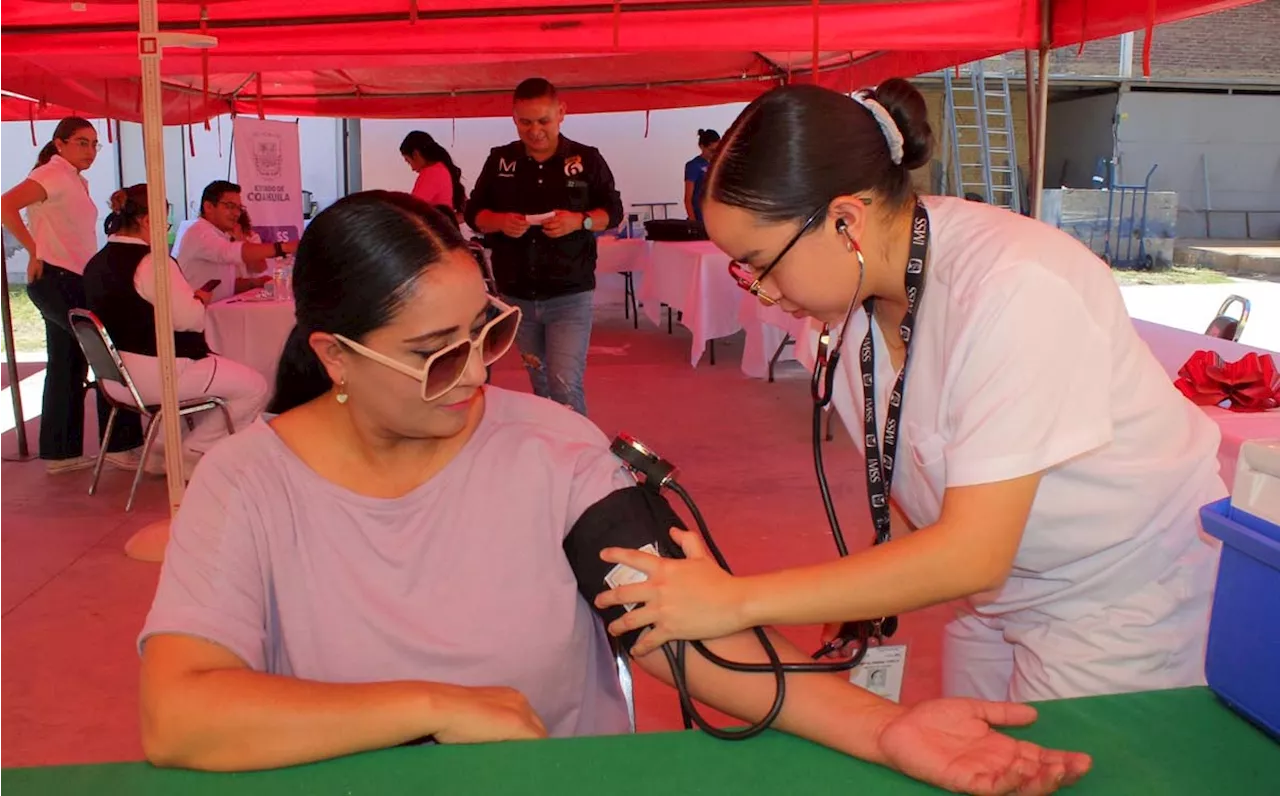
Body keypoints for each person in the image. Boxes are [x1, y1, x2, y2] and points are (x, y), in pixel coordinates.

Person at [136, 192, 1088, 793]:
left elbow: (686, 629)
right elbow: (181, 713)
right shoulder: (247, 482)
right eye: (435, 357)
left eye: (488, 332)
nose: (475, 377)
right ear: (336, 355)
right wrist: (437, 705)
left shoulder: (554, 447)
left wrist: (886, 730)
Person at [595, 80, 1226, 704]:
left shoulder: (1017, 289)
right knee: (980, 748)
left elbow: (971, 554)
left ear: (846, 221)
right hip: (1003, 593)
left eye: (761, 263)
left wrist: (737, 599)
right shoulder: (862, 295)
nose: (759, 289)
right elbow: (915, 460)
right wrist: (863, 588)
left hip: (1121, 591)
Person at [82, 185, 269, 480]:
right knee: (253, 386)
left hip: (116, 379)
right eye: (165, 223)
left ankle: (159, 450)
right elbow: (190, 321)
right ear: (147, 221)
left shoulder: (95, 263)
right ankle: (192, 453)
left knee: (214, 383)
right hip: (160, 373)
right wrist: (199, 301)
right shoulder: (152, 263)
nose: (165, 231)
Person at [465, 78, 624, 417]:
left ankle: (579, 459)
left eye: (543, 121)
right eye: (525, 122)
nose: (535, 130)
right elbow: (473, 213)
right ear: (514, 118)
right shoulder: (500, 161)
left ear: (561, 113)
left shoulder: (587, 159)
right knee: (540, 384)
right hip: (518, 296)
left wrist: (578, 221)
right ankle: (551, 455)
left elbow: (613, 213)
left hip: (570, 295)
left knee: (565, 384)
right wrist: (500, 221)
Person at [0, 117, 144, 474]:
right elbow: (5, 204)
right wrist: (34, 250)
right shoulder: (52, 173)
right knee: (105, 352)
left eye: (95, 144)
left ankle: (60, 452)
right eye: (82, 142)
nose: (91, 150)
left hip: (72, 277)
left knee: (67, 362)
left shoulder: (73, 179)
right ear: (60, 144)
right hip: (57, 277)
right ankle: (120, 444)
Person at [172, 180, 297, 302]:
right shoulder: (199, 232)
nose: (236, 213)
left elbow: (224, 285)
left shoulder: (222, 235)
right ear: (208, 207)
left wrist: (255, 283)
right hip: (197, 316)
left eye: (239, 208)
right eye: (230, 206)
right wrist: (283, 248)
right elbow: (227, 252)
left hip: (217, 313)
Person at [400, 131, 467, 219]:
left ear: (415, 154)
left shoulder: (431, 173)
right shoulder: (441, 169)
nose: (412, 168)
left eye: (408, 162)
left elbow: (413, 210)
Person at [683, 128, 720, 225]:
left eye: (718, 150)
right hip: (700, 219)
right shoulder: (693, 165)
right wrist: (693, 221)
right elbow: (688, 198)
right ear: (702, 146)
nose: (715, 154)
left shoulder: (717, 165)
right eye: (712, 150)